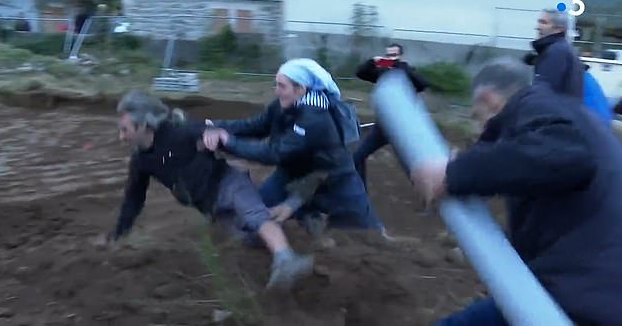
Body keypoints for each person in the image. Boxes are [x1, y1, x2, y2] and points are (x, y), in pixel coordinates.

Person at [411, 57, 622, 325]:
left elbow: (568, 157)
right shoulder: (572, 115)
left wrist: (455, 172)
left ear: (489, 99)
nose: (479, 132)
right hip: (594, 292)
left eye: (477, 118)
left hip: (582, 300)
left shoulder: (535, 108)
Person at [98, 90, 313, 290]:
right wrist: (119, 233)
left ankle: (287, 259)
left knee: (255, 215)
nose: (121, 136)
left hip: (228, 182)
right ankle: (293, 215)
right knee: (248, 237)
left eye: (125, 130)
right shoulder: (140, 161)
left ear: (143, 125)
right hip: (210, 205)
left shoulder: (177, 132)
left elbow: (205, 129)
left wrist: (211, 133)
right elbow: (133, 199)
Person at [202, 58, 384, 233]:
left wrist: (227, 141)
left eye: (282, 86)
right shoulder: (283, 105)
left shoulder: (314, 118)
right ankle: (305, 213)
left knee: (368, 236)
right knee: (251, 220)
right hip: (291, 174)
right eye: (276, 84)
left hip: (333, 180)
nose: (276, 91)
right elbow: (255, 126)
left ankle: (305, 210)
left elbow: (275, 153)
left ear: (301, 89)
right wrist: (215, 125)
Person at [353, 43, 432, 190]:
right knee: (357, 157)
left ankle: (428, 193)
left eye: (394, 55)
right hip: (382, 128)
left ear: (400, 57)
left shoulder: (406, 73)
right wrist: (373, 61)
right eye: (388, 55)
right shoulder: (382, 73)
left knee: (413, 166)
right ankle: (361, 190)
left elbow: (423, 83)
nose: (390, 58)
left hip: (402, 129)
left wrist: (399, 66)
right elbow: (360, 73)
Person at [525, 8, 584, 98]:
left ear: (559, 29)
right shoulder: (559, 49)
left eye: (543, 22)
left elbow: (545, 93)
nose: (537, 27)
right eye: (539, 22)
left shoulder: (557, 52)